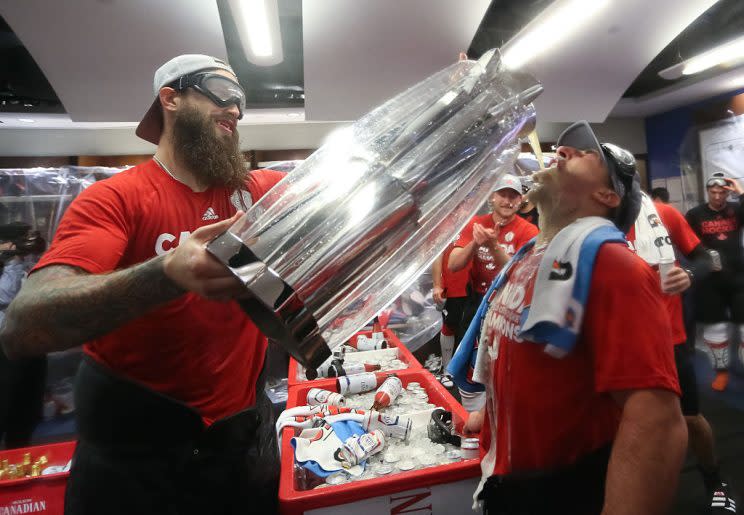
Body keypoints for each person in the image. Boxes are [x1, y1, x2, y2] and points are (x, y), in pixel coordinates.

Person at [0, 54, 285, 514]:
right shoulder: (117, 198)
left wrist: (448, 102)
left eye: (242, 102)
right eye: (221, 92)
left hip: (239, 443)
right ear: (170, 99)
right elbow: (24, 325)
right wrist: (166, 272)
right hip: (138, 464)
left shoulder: (256, 192)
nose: (235, 109)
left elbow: (364, 183)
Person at [450, 121, 687, 514]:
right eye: (563, 150)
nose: (565, 151)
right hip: (511, 476)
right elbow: (529, 361)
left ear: (606, 194)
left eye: (585, 153)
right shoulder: (535, 255)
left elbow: (657, 424)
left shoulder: (613, 265)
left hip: (563, 489)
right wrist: (494, 413)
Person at [627, 193, 736, 511]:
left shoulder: (662, 214)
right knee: (625, 423)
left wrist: (688, 275)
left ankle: (714, 481)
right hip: (622, 343)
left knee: (690, 418)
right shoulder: (594, 224)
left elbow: (707, 259)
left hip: (669, 339)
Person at [447, 174, 538, 410]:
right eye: (503, 195)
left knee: (502, 365)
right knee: (469, 361)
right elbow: (454, 264)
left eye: (513, 196)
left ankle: (499, 409)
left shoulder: (528, 231)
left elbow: (522, 275)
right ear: (492, 197)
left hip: (509, 307)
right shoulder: (475, 223)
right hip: (477, 302)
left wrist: (493, 246)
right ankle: (469, 410)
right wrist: (476, 243)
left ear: (520, 201)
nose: (507, 201)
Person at [685, 174, 744, 391]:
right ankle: (722, 372)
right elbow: (686, 243)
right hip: (710, 282)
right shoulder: (695, 214)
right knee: (715, 329)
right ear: (707, 191)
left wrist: (741, 193)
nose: (718, 196)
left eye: (722, 192)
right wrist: (700, 262)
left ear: (728, 192)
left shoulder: (737, 210)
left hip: (739, 277)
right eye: (714, 192)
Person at [0, 224, 47, 448]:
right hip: (4, 348)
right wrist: (10, 262)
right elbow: (6, 296)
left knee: (25, 413)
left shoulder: (31, 263)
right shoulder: (8, 264)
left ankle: (17, 456)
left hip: (31, 345)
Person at [431, 241, 470, 387]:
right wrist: (437, 285)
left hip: (478, 285)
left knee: (474, 328)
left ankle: (469, 369)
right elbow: (437, 253)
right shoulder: (449, 223)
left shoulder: (480, 224)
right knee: (450, 324)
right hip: (454, 284)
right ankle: (447, 370)